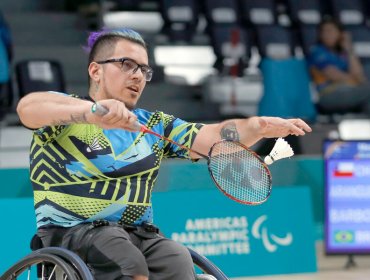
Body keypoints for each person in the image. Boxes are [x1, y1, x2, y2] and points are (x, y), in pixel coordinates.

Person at [16, 28, 312, 280]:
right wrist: (91, 113)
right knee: (126, 259)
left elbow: (210, 137)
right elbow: (29, 108)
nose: (138, 76)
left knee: (176, 258)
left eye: (144, 70)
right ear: (96, 70)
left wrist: (258, 126)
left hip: (139, 233)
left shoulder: (153, 125)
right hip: (73, 234)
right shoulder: (67, 113)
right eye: (126, 64)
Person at [308, 16, 370, 115]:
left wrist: (349, 49)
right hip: (327, 94)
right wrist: (358, 81)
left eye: (331, 31)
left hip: (348, 90)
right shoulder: (317, 52)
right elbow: (336, 76)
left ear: (340, 34)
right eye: (324, 32)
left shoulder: (343, 53)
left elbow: (358, 74)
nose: (327, 35)